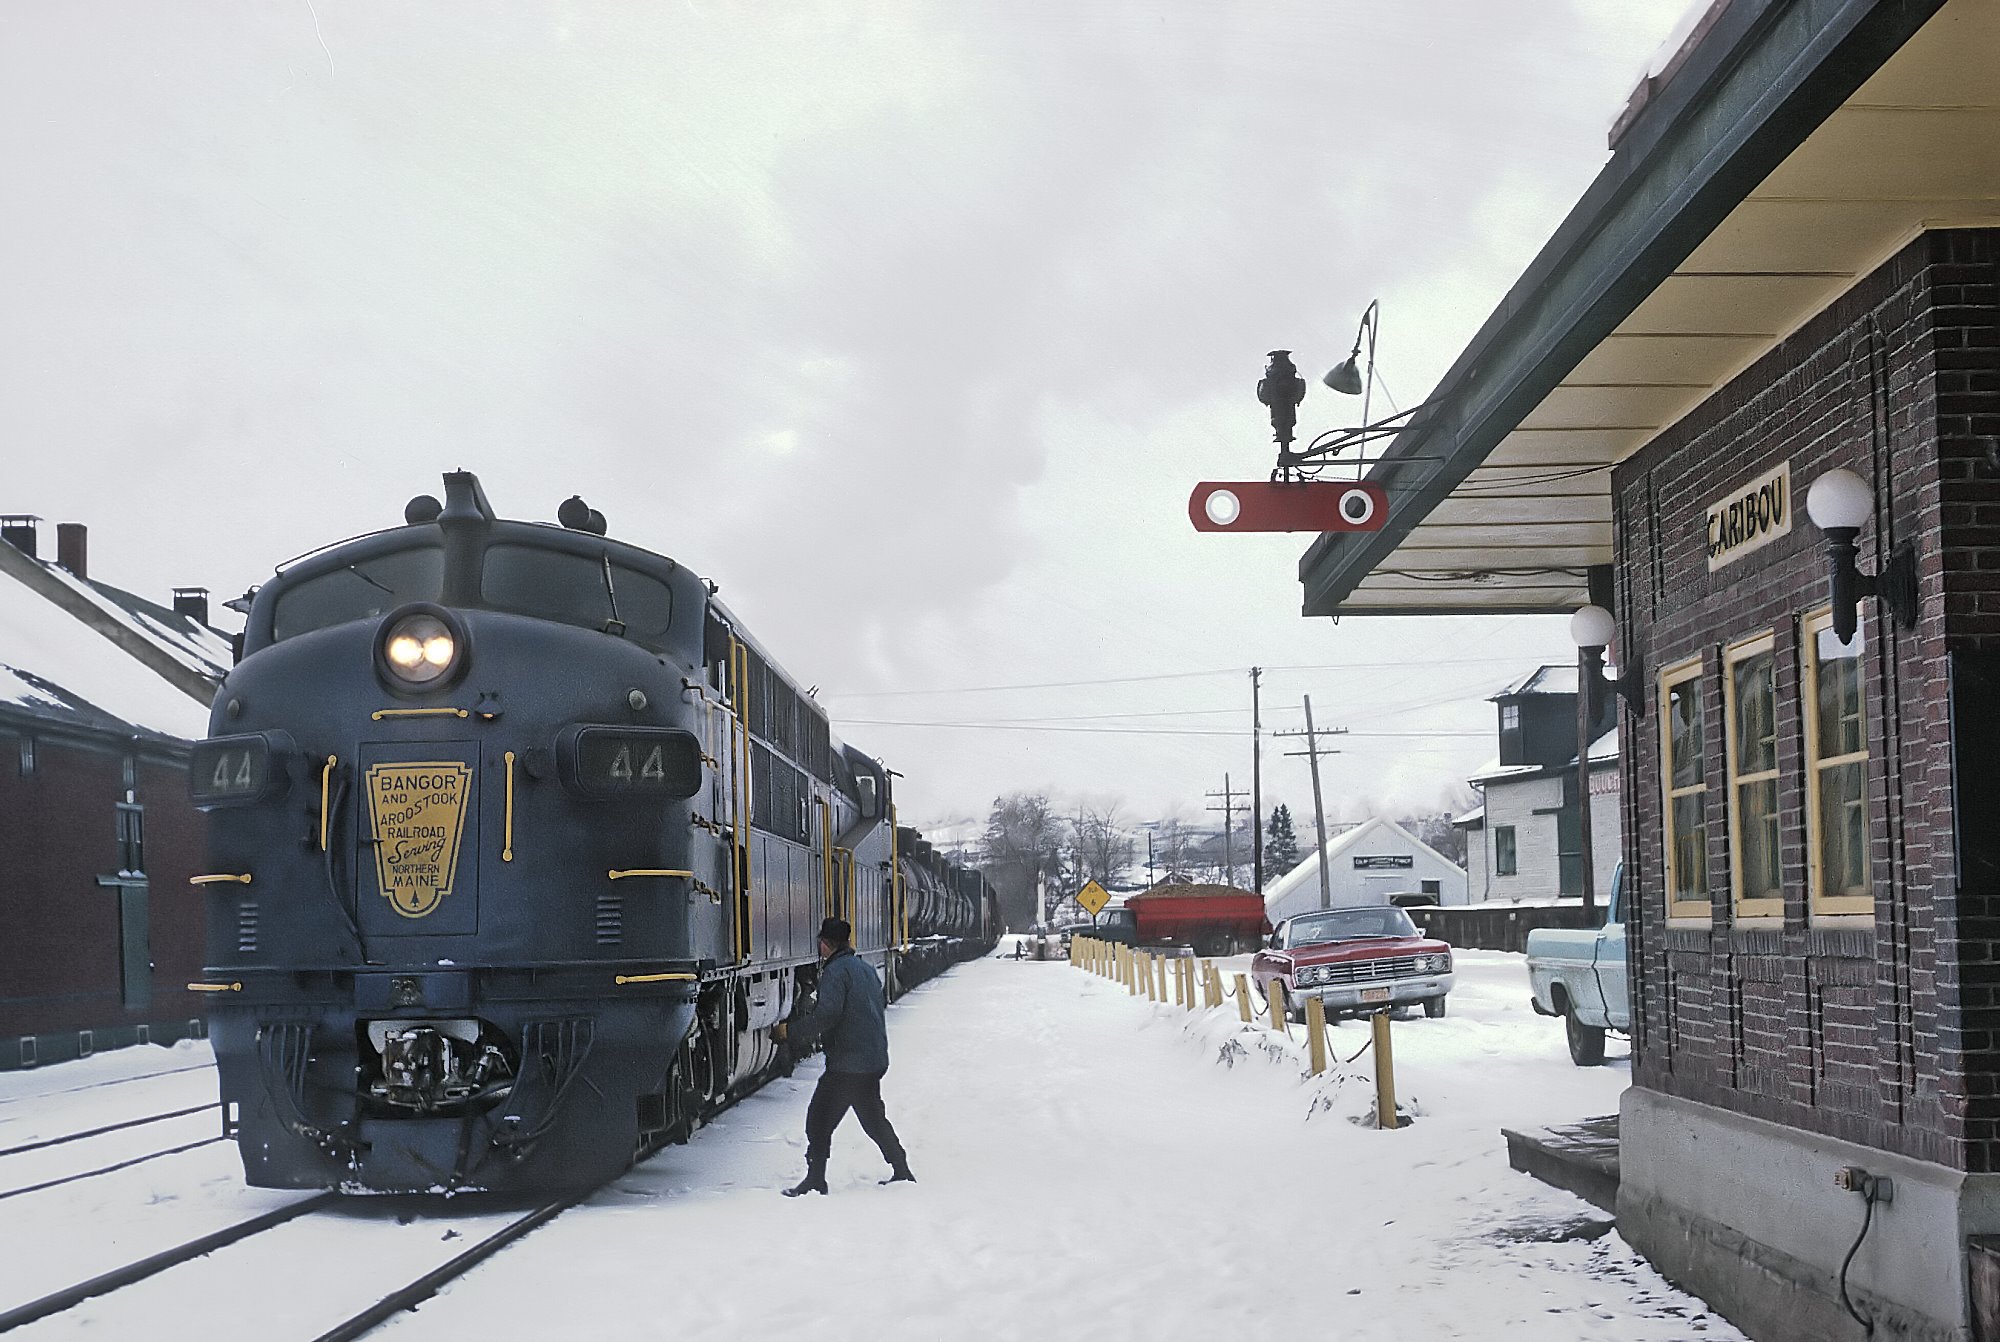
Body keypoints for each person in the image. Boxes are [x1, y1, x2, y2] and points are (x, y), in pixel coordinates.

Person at [776, 916, 913, 1196]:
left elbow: (828, 1014)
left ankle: (815, 1179)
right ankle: (902, 1169)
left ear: (826, 944)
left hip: (848, 1064)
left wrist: (790, 1032)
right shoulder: (863, 968)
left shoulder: (836, 972)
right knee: (873, 1118)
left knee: (818, 1119)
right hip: (872, 1059)